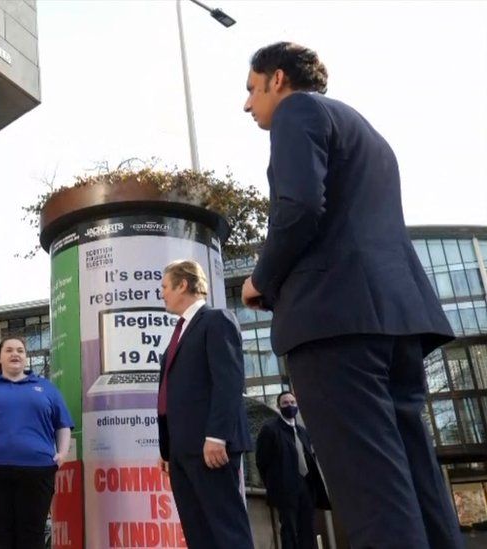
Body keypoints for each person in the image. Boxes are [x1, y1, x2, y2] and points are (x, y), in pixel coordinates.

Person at [240, 41, 462, 548]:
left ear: (278, 79)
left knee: (370, 489)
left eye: (252, 89)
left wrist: (262, 279)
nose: (248, 104)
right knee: (415, 477)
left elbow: (298, 207)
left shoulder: (298, 111)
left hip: (335, 327)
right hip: (397, 324)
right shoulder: (367, 132)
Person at [157, 260, 253, 549]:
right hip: (181, 452)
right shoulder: (180, 332)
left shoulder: (216, 320)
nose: (161, 294)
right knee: (198, 535)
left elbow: (229, 382)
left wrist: (216, 436)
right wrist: (167, 448)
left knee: (226, 532)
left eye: (164, 287)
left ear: (183, 284)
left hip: (210, 448)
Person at [0, 336, 73, 549]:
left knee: (32, 535)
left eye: (20, 350)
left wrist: (62, 454)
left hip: (37, 471)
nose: (15, 354)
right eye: (9, 350)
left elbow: (63, 424)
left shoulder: (46, 388)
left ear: (26, 357)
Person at [256, 391, 329, 549]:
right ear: (278, 406)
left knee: (308, 529)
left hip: (306, 487)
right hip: (286, 490)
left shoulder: (303, 431)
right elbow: (262, 462)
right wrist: (273, 485)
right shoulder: (270, 430)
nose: (290, 406)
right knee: (289, 531)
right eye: (285, 403)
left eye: (292, 403)